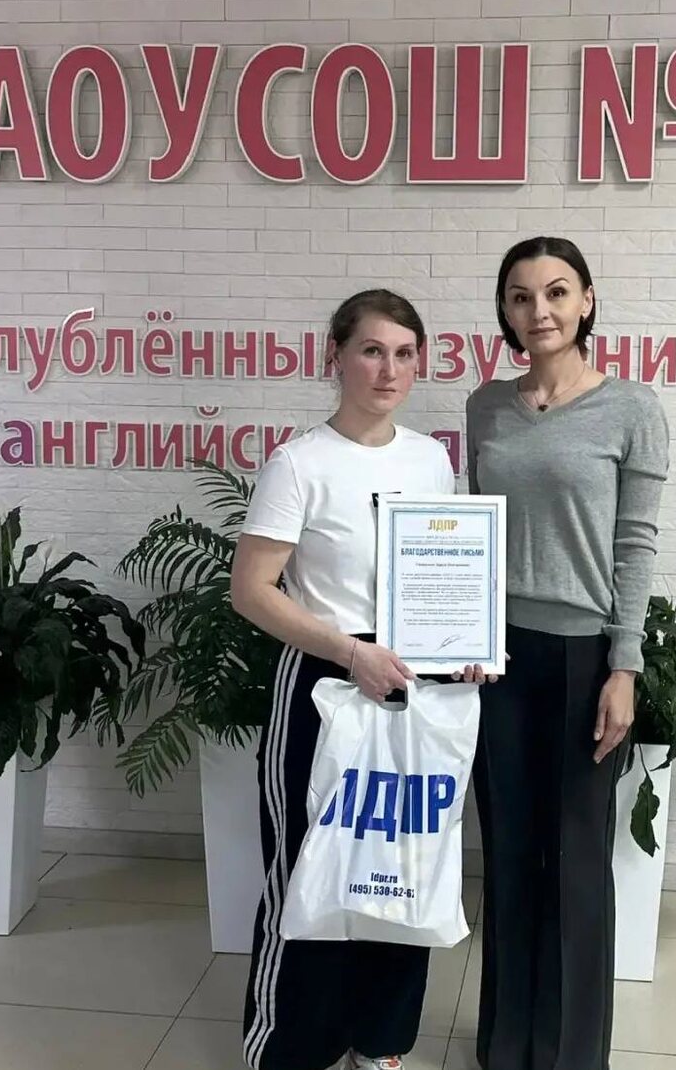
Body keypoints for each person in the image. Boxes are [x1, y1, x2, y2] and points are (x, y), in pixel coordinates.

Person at [231, 289, 458, 1070]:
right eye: (371, 350)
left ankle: (382, 1041)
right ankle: (293, 1046)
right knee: (309, 869)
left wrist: (462, 644)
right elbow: (251, 591)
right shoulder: (299, 464)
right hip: (325, 685)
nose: (388, 369)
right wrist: (348, 651)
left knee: (403, 862)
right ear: (336, 357)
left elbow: (442, 575)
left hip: (411, 687)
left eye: (404, 353)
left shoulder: (431, 459)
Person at [462, 236, 670, 1070]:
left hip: (585, 658)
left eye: (555, 292)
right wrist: (462, 634)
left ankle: (571, 1054)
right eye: (520, 296)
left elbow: (635, 544)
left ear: (587, 301)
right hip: (497, 660)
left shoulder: (631, 409)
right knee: (509, 854)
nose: (538, 311)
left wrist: (625, 667)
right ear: (504, 310)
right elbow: (472, 533)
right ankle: (506, 1045)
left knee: (578, 860)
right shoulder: (486, 406)